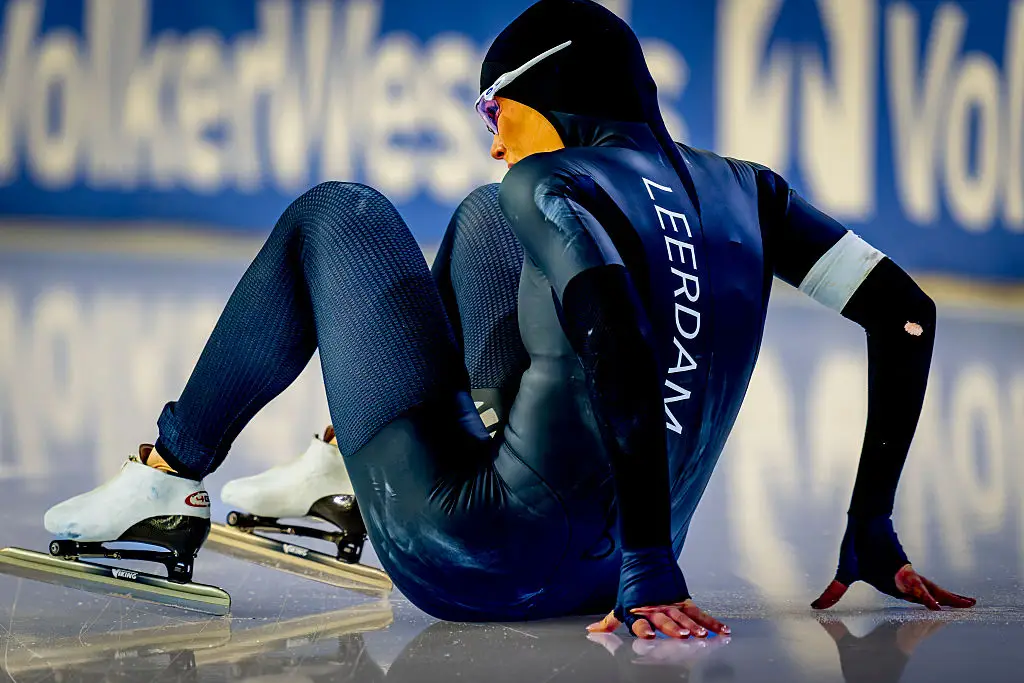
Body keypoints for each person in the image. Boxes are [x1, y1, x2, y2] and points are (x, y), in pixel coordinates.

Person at [40, 0, 974, 638]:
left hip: (474, 555)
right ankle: (340, 472)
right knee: (488, 215)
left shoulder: (554, 180)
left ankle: (166, 476)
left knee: (338, 213)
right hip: (603, 567)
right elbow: (906, 316)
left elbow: (618, 342)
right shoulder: (752, 193)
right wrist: (869, 518)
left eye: (495, 110)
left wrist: (654, 561)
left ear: (548, 95)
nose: (493, 141)